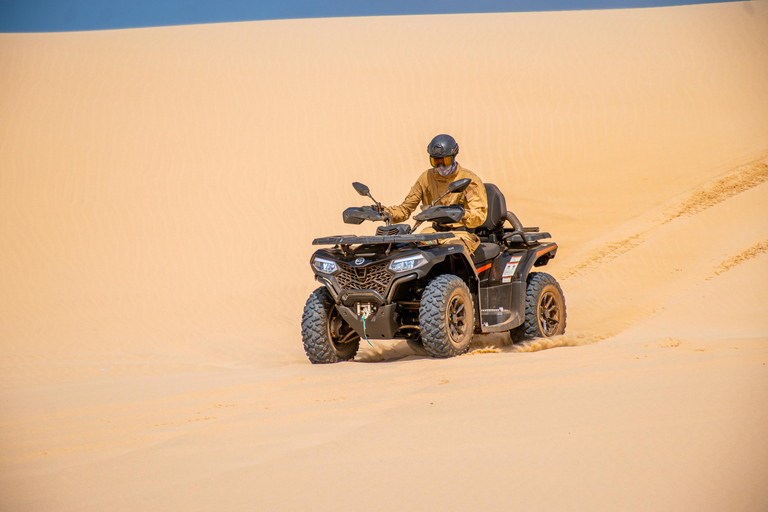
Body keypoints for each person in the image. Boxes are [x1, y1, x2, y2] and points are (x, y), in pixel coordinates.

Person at [384, 134, 488, 256]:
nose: (441, 166)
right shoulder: (426, 178)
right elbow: (405, 209)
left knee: (451, 253)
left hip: (460, 233)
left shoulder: (469, 179)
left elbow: (479, 215)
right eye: (436, 161)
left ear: (453, 157)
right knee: (411, 251)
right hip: (433, 232)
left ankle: (453, 276)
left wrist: (459, 213)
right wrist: (384, 213)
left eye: (445, 161)